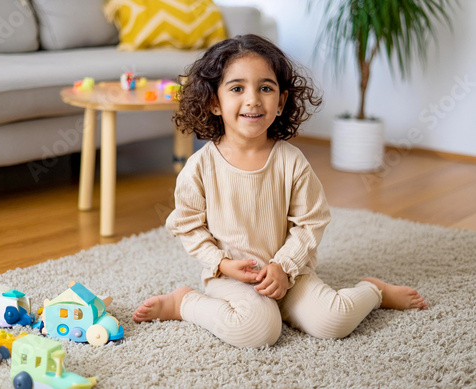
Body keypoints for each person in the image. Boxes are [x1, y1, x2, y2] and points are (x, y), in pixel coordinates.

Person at [133, 34, 428, 348]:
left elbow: (311, 222)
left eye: (265, 88)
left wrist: (284, 267)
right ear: (214, 102)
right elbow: (188, 225)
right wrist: (220, 263)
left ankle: (374, 290)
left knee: (334, 321)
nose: (253, 100)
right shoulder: (200, 167)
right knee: (258, 331)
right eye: (237, 88)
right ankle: (184, 303)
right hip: (232, 275)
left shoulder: (292, 161)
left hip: (291, 270)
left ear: (281, 101)